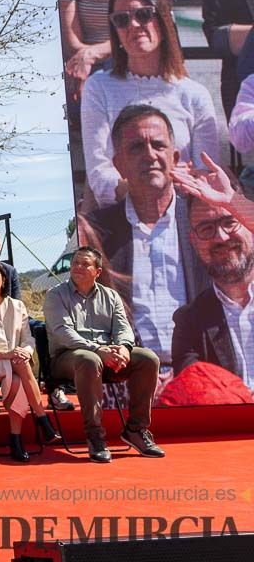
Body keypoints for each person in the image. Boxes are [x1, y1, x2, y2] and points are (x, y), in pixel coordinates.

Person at [82, 105, 209, 367]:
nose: (150, 155)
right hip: (130, 379)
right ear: (119, 164)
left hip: (198, 376)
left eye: (159, 145)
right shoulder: (96, 234)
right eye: (137, 147)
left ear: (174, 157)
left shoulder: (207, 225)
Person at [80, 0, 220, 209]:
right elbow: (99, 173)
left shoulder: (195, 94)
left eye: (143, 14)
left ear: (163, 21)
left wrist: (169, 184)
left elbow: (207, 172)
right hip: (122, 217)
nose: (133, 25)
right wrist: (150, 185)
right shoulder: (99, 88)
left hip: (186, 212)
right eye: (122, 20)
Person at [43, 246, 165, 463]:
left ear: (97, 271)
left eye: (84, 264)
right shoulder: (55, 295)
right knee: (88, 359)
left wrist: (124, 349)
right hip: (68, 357)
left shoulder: (111, 296)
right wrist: (97, 349)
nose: (77, 267)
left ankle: (136, 430)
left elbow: (123, 327)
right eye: (75, 263)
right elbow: (63, 333)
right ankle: (95, 436)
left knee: (148, 359)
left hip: (107, 355)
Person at [0, 260, 60, 462]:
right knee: (18, 365)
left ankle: (16, 440)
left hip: (14, 364)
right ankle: (42, 418)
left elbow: (28, 339)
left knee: (16, 378)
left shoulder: (17, 305)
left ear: (3, 278)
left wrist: (25, 351)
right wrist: (8, 354)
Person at [173, 172, 254, 395]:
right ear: (194, 241)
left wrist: (232, 201)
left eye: (230, 222)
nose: (221, 237)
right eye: (207, 228)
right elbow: (199, 399)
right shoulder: (189, 324)